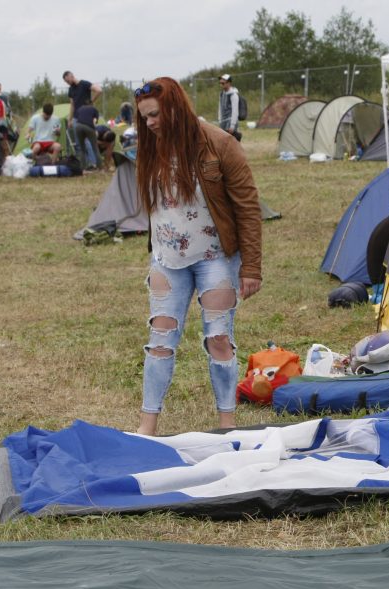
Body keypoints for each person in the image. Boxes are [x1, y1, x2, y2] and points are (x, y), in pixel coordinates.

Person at [133, 77, 262, 436]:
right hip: (167, 260)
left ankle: (227, 426)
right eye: (144, 118)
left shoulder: (220, 144)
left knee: (219, 338)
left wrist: (251, 267)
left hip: (215, 257)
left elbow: (248, 208)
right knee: (159, 339)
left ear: (175, 108)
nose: (150, 123)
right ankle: (147, 427)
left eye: (155, 115)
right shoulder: (149, 147)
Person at [63, 70, 102, 158]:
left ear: (71, 76)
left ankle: (93, 162)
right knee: (79, 142)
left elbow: (99, 90)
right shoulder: (71, 90)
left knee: (87, 140)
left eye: (68, 81)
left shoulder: (84, 84)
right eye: (66, 82)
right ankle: (85, 163)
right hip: (76, 118)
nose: (68, 83)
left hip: (86, 118)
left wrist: (91, 101)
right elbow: (72, 105)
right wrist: (70, 120)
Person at [73, 97, 101, 169]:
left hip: (78, 126)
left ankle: (83, 167)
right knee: (95, 148)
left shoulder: (80, 109)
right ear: (91, 104)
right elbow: (95, 121)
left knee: (82, 149)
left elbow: (77, 118)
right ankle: (99, 167)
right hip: (88, 127)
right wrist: (94, 130)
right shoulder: (93, 109)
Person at [217, 73, 241, 140]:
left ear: (229, 83)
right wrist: (220, 119)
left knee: (232, 141)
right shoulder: (221, 94)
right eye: (220, 83)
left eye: (223, 83)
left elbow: (235, 111)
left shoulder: (233, 95)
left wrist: (232, 125)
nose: (221, 85)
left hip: (230, 122)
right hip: (223, 122)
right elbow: (220, 108)